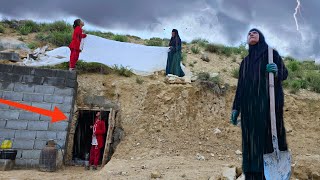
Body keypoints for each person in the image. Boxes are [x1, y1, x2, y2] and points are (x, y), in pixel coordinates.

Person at [230, 28, 289, 180]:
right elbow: (240, 87)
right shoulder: (245, 62)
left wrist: (276, 71)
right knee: (250, 143)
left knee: (268, 139)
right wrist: (236, 107)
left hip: (268, 108)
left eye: (255, 32)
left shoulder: (271, 54)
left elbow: (285, 73)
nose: (251, 34)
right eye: (249, 33)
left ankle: (269, 175)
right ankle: (251, 174)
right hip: (249, 110)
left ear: (261, 37)